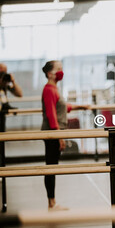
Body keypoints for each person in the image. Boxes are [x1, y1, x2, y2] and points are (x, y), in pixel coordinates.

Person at [41, 61, 89, 210]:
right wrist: (59, 137)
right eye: (59, 69)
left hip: (55, 133)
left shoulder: (54, 88)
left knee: (52, 166)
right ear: (50, 73)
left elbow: (62, 106)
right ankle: (51, 203)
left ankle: (52, 202)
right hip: (52, 134)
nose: (61, 72)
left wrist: (79, 106)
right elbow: (51, 114)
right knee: (51, 168)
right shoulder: (49, 89)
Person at [0, 63, 23, 176]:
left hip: (0, 117)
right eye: (1, 71)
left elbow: (20, 94)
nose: (2, 74)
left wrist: (12, 81)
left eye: (5, 72)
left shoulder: (5, 83)